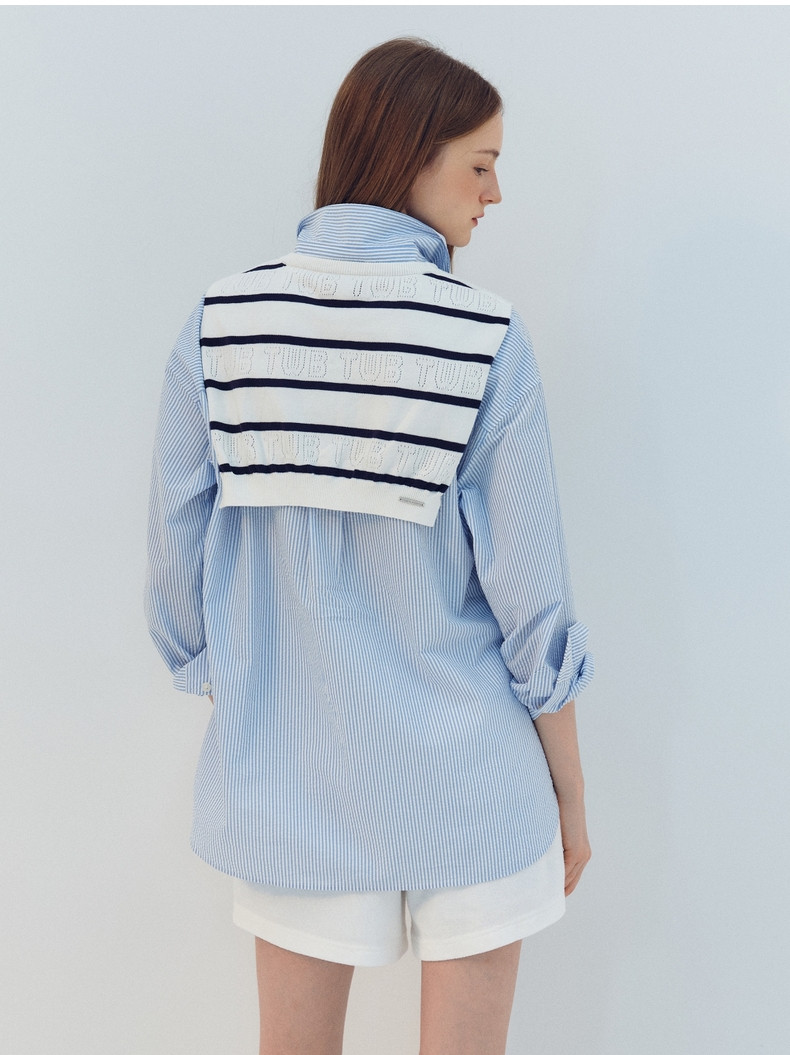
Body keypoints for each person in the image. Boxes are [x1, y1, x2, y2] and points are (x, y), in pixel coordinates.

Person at [146, 37, 594, 1055]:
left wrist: (257, 694)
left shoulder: (221, 324)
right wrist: (570, 791)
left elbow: (175, 557)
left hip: (292, 776)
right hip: (473, 779)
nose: (495, 194)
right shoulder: (483, 339)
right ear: (409, 153)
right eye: (480, 164)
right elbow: (532, 601)